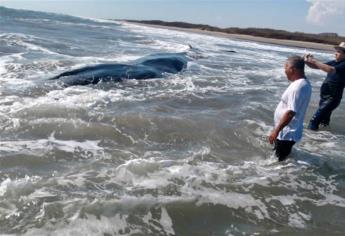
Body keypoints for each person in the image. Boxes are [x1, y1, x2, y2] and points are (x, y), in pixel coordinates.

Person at [269, 56, 312, 161]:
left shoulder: (298, 87)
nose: (285, 71)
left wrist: (276, 130)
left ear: (292, 69)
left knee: (279, 163)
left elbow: (290, 112)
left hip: (287, 133)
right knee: (282, 159)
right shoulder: (303, 83)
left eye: (286, 68)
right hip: (288, 132)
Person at [305, 42, 345, 130]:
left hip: (332, 99)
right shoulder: (335, 62)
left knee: (313, 121)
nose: (335, 53)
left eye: (338, 52)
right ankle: (325, 140)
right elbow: (317, 66)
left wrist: (314, 60)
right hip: (324, 97)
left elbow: (330, 69)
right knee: (324, 122)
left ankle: (310, 141)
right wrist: (307, 61)